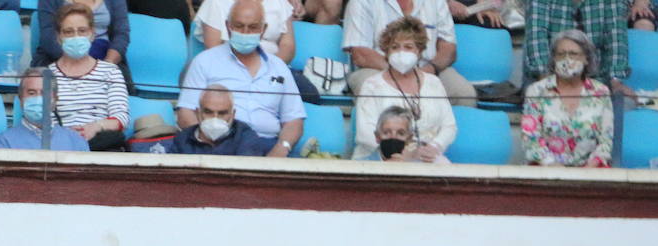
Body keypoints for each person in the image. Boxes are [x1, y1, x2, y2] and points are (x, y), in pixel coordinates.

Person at [176, 0, 304, 157]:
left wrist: (280, 150)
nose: (245, 32)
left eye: (253, 27)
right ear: (228, 27)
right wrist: (209, 145)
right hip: (221, 147)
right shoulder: (205, 62)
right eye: (238, 26)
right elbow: (186, 113)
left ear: (263, 30)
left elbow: (294, 120)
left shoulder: (279, 67)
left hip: (269, 147)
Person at [351, 17, 456, 161]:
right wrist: (403, 153)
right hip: (381, 157)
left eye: (408, 47)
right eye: (395, 47)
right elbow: (365, 134)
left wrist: (435, 147)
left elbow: (449, 126)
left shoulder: (434, 83)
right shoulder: (372, 85)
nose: (401, 52)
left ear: (419, 51)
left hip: (427, 157)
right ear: (386, 52)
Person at [342, 0, 477, 107]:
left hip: (428, 68)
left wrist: (429, 69)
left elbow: (449, 48)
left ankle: (443, 140)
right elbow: (360, 53)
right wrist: (399, 71)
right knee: (374, 90)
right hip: (377, 69)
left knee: (464, 94)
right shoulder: (360, 2)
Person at [195, 0, 320, 103]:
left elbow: (288, 46)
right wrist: (247, 72)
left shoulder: (280, 3)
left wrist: (267, 70)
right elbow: (213, 47)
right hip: (228, 68)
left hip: (272, 68)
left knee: (309, 94)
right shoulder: (215, 3)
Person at [44, 2, 130, 150]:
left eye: (82, 31)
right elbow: (46, 121)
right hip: (61, 147)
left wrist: (96, 127)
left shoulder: (110, 71)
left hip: (102, 146)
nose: (76, 37)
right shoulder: (47, 75)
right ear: (59, 37)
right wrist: (69, 134)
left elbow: (121, 118)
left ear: (92, 34)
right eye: (68, 32)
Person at [522, 29, 614, 167]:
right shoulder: (536, 91)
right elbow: (531, 139)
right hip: (546, 172)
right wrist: (552, 165)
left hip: (590, 173)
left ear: (586, 59)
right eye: (561, 54)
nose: (567, 59)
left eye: (574, 54)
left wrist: (590, 167)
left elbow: (605, 140)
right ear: (553, 59)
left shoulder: (601, 91)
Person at [524, 0, 632, 93]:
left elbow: (616, 39)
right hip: (549, 75)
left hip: (598, 79)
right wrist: (547, 82)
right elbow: (536, 37)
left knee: (623, 101)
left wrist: (615, 81)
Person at [33, 0, 131, 88]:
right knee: (41, 87)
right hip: (60, 56)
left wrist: (107, 65)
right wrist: (74, 64)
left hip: (105, 57)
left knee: (116, 81)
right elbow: (48, 37)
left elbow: (121, 35)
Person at [0, 69, 90, 150]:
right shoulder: (4, 143)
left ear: (55, 100)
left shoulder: (76, 141)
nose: (38, 99)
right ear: (20, 100)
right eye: (31, 93)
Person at [155, 85, 266, 154]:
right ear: (198, 113)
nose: (215, 118)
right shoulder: (183, 139)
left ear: (233, 115)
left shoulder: (246, 137)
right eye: (208, 112)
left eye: (222, 113)